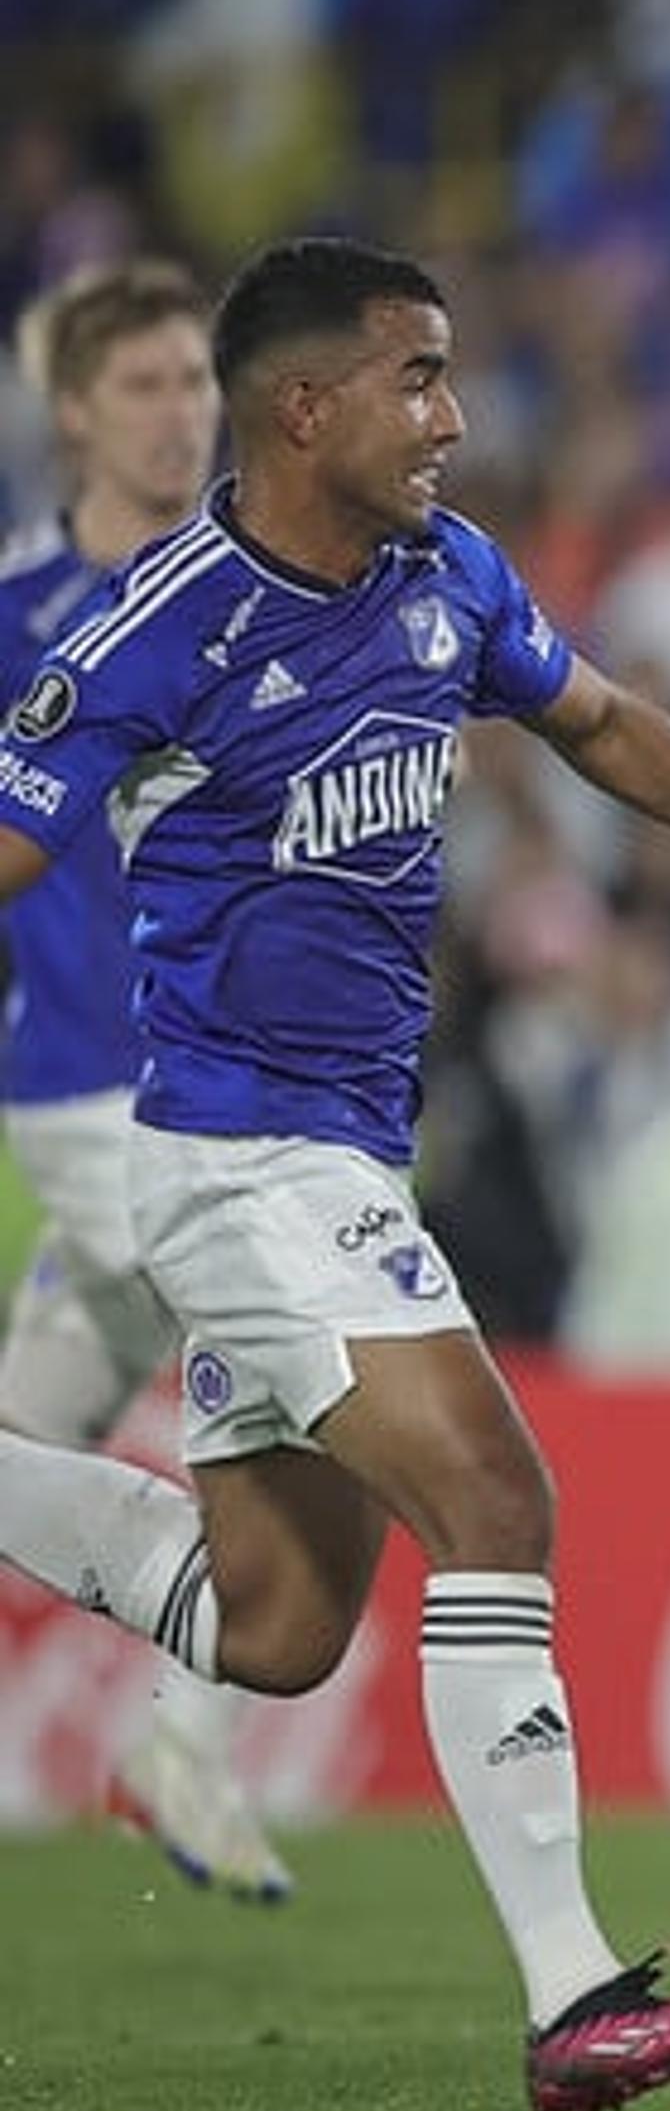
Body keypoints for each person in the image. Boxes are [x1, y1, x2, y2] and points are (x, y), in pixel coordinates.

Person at [0, 238, 670, 2111]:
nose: (451, 416)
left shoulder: (445, 578)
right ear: (305, 408)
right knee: (495, 1495)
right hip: (239, 1161)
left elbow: (599, 724)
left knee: (274, 1632)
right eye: (415, 377)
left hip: (344, 1156)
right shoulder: (155, 631)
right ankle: (573, 1994)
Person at [2, 258, 296, 1900]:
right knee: (291, 1356)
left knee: (35, 1419)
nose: (184, 413)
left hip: (223, 1076)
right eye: (147, 387)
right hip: (85, 1081)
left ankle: (182, 1747)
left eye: (200, 382)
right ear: (72, 411)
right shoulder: (11, 617)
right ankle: (182, 1751)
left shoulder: (250, 593)